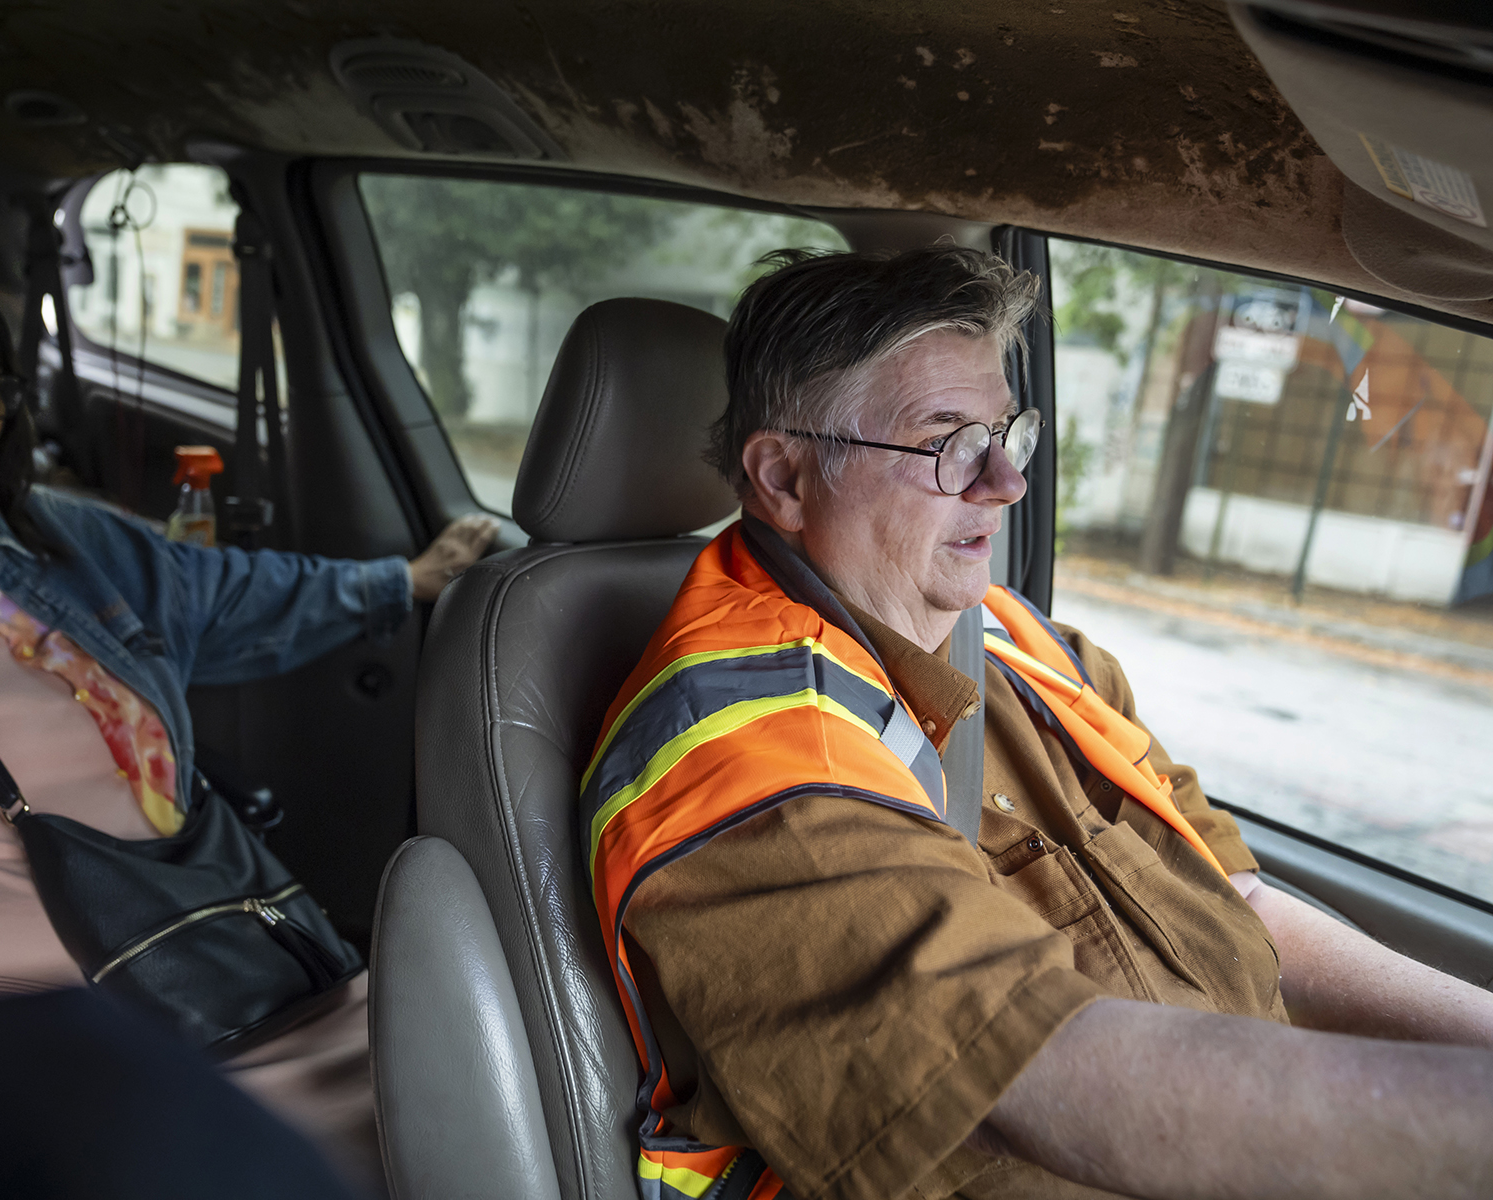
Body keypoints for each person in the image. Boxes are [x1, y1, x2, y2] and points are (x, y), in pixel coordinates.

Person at [584, 246, 1493, 1200]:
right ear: (786, 479)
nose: (1004, 484)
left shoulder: (1028, 646)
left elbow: (1243, 902)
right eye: (945, 443)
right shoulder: (741, 751)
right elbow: (1037, 1068)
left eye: (1005, 434)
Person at [0, 269, 497, 1191]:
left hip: (221, 982)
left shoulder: (76, 547)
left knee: (470, 1106)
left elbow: (237, 593)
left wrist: (404, 582)